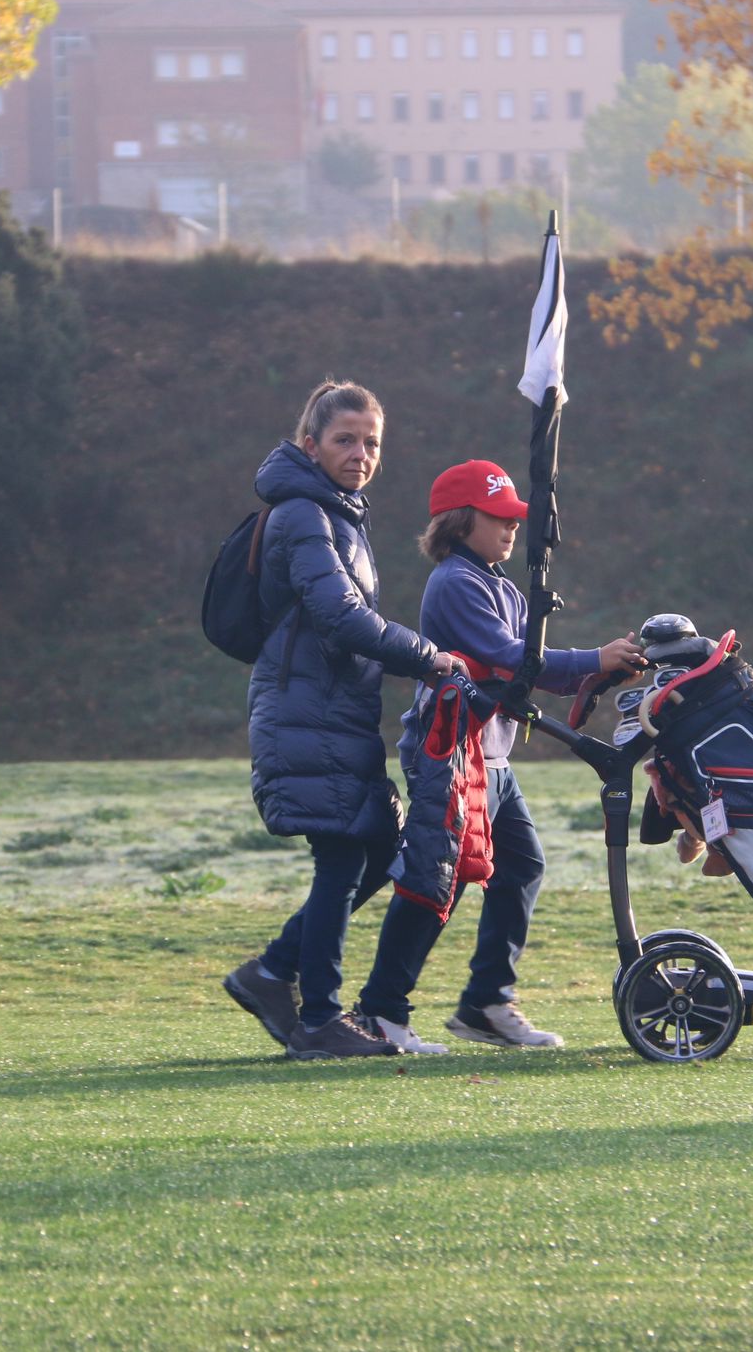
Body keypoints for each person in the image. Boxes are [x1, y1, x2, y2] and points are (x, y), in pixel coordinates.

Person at [353, 459, 646, 1054]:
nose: (512, 529)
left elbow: (523, 678)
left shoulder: (503, 586)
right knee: (436, 883)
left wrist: (596, 674)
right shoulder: (456, 583)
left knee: (520, 868)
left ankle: (486, 1002)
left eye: (516, 519)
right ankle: (381, 1010)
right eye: (499, 518)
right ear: (461, 522)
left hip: (494, 762)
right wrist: (593, 658)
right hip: (452, 755)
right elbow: (511, 659)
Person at [221, 381, 462, 1061]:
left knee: (375, 851)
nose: (360, 454)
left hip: (335, 712)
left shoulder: (338, 514)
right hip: (306, 712)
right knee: (342, 855)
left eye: (372, 443)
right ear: (311, 445)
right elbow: (339, 615)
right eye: (345, 440)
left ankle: (271, 974)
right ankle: (321, 1017)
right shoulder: (304, 512)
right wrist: (429, 657)